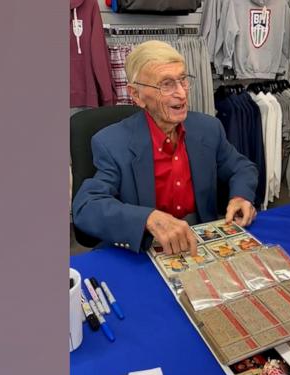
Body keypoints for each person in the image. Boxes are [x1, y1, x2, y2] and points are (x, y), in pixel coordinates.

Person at [73, 40, 258, 256]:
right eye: (166, 84)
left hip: (202, 240)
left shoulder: (208, 128)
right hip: (148, 247)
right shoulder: (112, 143)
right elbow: (86, 206)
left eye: (183, 80)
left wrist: (241, 196)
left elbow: (242, 167)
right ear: (136, 95)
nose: (181, 93)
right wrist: (147, 218)